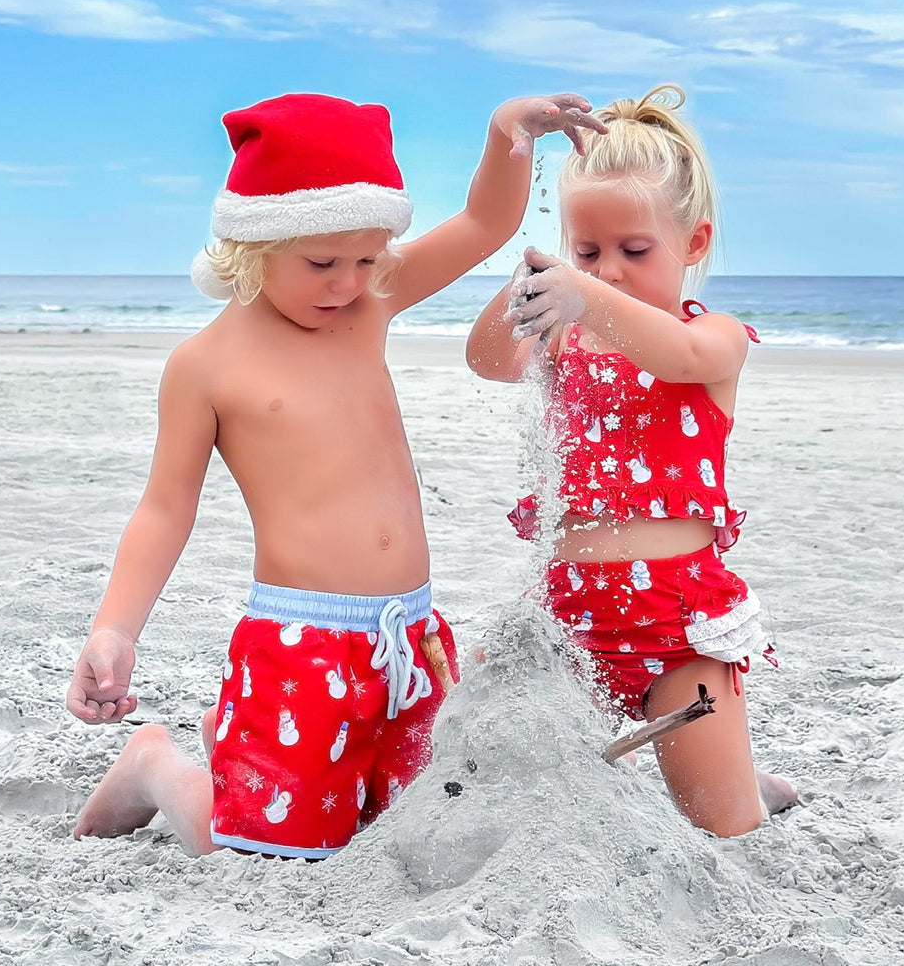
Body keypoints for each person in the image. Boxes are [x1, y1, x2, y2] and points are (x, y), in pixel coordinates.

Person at [68, 88, 604, 859]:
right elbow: (164, 509)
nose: (347, 283)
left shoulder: (368, 306)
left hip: (412, 640)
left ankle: (250, 759)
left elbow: (483, 224)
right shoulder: (206, 367)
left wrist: (503, 134)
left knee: (410, 829)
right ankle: (157, 764)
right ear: (251, 247)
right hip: (300, 642)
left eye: (365, 259)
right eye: (322, 263)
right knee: (261, 849)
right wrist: (115, 628)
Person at [466, 85, 796, 837]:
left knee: (725, 829)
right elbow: (487, 359)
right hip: (561, 616)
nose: (607, 271)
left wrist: (583, 289)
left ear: (696, 243)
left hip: (679, 627)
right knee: (476, 766)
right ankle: (728, 768)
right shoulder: (563, 335)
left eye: (633, 251)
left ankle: (745, 782)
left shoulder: (714, 339)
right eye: (587, 252)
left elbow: (674, 352)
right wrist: (531, 277)